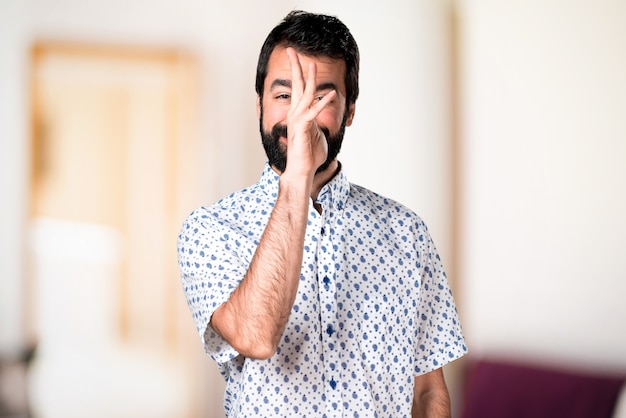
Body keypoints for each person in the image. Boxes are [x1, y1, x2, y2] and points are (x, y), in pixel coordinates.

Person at [178, 10, 467, 418]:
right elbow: (255, 336)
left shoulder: (407, 233)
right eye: (285, 96)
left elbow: (427, 392)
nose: (300, 118)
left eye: (320, 99)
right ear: (259, 104)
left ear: (349, 111)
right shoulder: (211, 230)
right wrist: (298, 176)